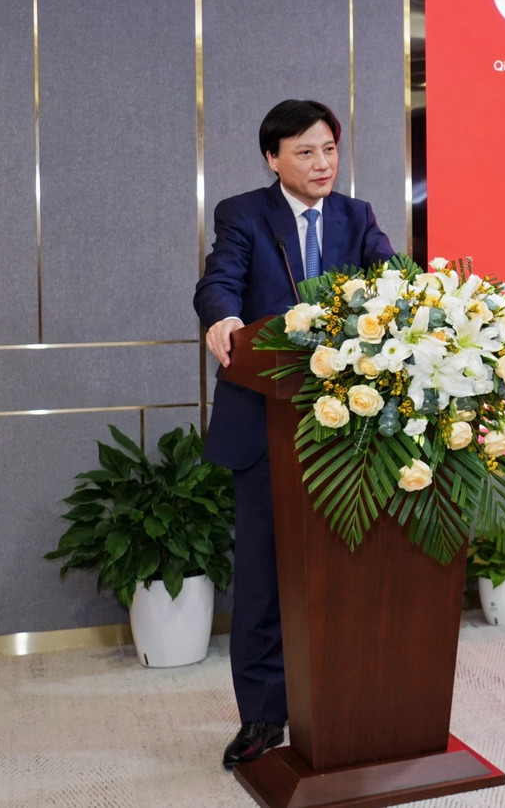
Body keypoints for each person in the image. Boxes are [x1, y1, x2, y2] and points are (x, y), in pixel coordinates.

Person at [193, 100, 395, 769]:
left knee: (348, 576)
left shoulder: (356, 217)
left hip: (350, 427)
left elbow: (393, 286)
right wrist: (224, 318)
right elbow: (219, 281)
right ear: (273, 158)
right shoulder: (244, 214)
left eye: (329, 149)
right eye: (305, 152)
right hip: (265, 424)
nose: (322, 163)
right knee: (263, 579)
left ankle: (348, 701)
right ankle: (262, 716)